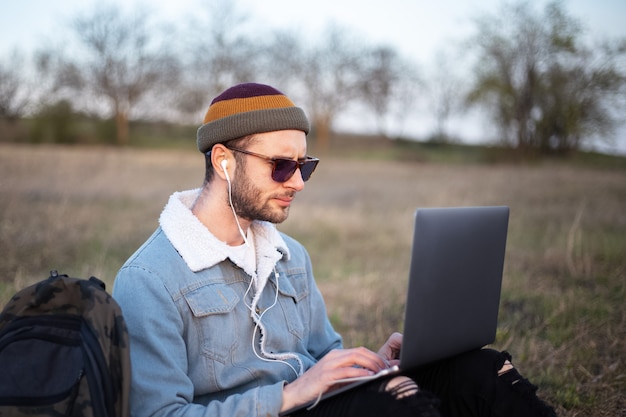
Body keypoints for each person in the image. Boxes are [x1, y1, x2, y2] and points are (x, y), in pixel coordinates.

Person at [112, 83, 557, 417]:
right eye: (282, 166)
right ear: (224, 161)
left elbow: (325, 355)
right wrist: (290, 395)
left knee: (480, 372)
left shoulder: (290, 256)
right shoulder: (149, 280)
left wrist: (373, 364)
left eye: (305, 165)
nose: (298, 182)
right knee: (395, 404)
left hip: (321, 404)